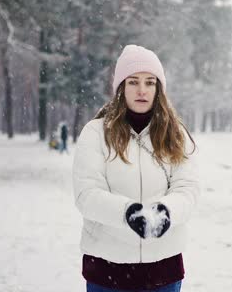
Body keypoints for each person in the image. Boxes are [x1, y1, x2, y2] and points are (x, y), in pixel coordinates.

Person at [72, 45, 199, 292]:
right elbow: (86, 194)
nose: (142, 90)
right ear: (121, 87)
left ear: (158, 89)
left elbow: (188, 188)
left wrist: (166, 211)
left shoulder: (176, 134)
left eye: (150, 82)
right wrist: (127, 212)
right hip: (107, 270)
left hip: (163, 270)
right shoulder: (96, 133)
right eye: (133, 82)